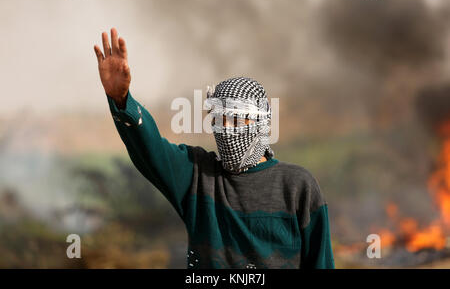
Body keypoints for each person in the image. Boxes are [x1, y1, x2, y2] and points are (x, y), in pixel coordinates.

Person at [93, 28, 335, 269]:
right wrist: (121, 100)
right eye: (219, 118)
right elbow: (151, 149)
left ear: (261, 122)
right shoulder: (198, 175)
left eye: (237, 118)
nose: (226, 128)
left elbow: (320, 262)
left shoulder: (297, 186)